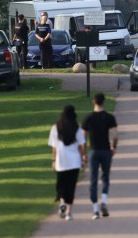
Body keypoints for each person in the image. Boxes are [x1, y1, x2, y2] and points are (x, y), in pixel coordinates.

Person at [81, 92, 119, 220]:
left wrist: (83, 153)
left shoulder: (88, 118)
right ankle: (104, 200)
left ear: (93, 101)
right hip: (105, 151)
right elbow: (115, 135)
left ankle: (95, 210)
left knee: (93, 179)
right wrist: (113, 147)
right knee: (105, 177)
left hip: (93, 151)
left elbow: (82, 137)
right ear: (104, 101)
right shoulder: (109, 118)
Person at [49, 105, 87, 221]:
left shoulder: (56, 128)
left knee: (61, 185)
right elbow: (82, 146)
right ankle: (69, 212)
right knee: (71, 186)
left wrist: (54, 160)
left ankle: (62, 203)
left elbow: (54, 147)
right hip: (74, 162)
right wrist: (83, 158)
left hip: (61, 161)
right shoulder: (77, 129)